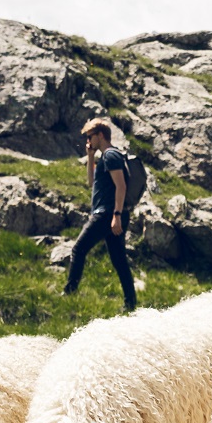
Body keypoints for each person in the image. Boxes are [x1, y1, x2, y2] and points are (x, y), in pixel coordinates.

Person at [64, 118, 136, 312]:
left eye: (90, 137)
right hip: (110, 214)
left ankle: (69, 293)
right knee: (119, 259)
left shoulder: (111, 156)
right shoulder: (104, 157)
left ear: (100, 135)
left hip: (107, 214)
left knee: (79, 249)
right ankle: (131, 303)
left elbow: (121, 186)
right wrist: (90, 156)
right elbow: (91, 182)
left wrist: (117, 215)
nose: (88, 140)